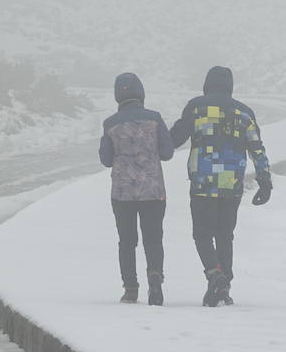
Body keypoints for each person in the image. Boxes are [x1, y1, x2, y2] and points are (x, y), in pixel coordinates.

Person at [169, 66, 271, 307]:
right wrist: (264, 182)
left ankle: (214, 275)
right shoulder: (244, 112)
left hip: (203, 181)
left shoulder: (196, 107)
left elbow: (174, 140)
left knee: (202, 235)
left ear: (207, 84)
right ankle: (223, 287)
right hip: (231, 183)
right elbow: (257, 148)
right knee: (225, 236)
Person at [99, 72, 175, 305]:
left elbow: (106, 159)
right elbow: (167, 152)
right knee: (153, 239)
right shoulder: (155, 119)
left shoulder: (110, 123)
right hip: (153, 190)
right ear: (141, 93)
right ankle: (154, 276)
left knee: (127, 240)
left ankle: (130, 288)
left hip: (122, 193)